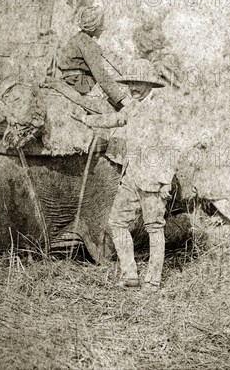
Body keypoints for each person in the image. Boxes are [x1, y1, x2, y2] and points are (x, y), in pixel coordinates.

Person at [77, 59, 173, 290]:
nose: (133, 88)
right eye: (130, 83)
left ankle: (153, 280)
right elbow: (115, 119)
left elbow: (173, 147)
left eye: (138, 83)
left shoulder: (162, 110)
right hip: (131, 176)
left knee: (154, 228)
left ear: (149, 85)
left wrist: (166, 181)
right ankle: (130, 275)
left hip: (153, 179)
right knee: (116, 223)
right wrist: (84, 119)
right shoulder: (133, 106)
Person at [47, 6, 130, 110]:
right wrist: (121, 99)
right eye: (101, 24)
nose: (103, 28)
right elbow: (100, 74)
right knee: (112, 109)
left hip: (70, 80)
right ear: (94, 26)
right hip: (81, 84)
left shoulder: (77, 38)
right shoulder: (88, 43)